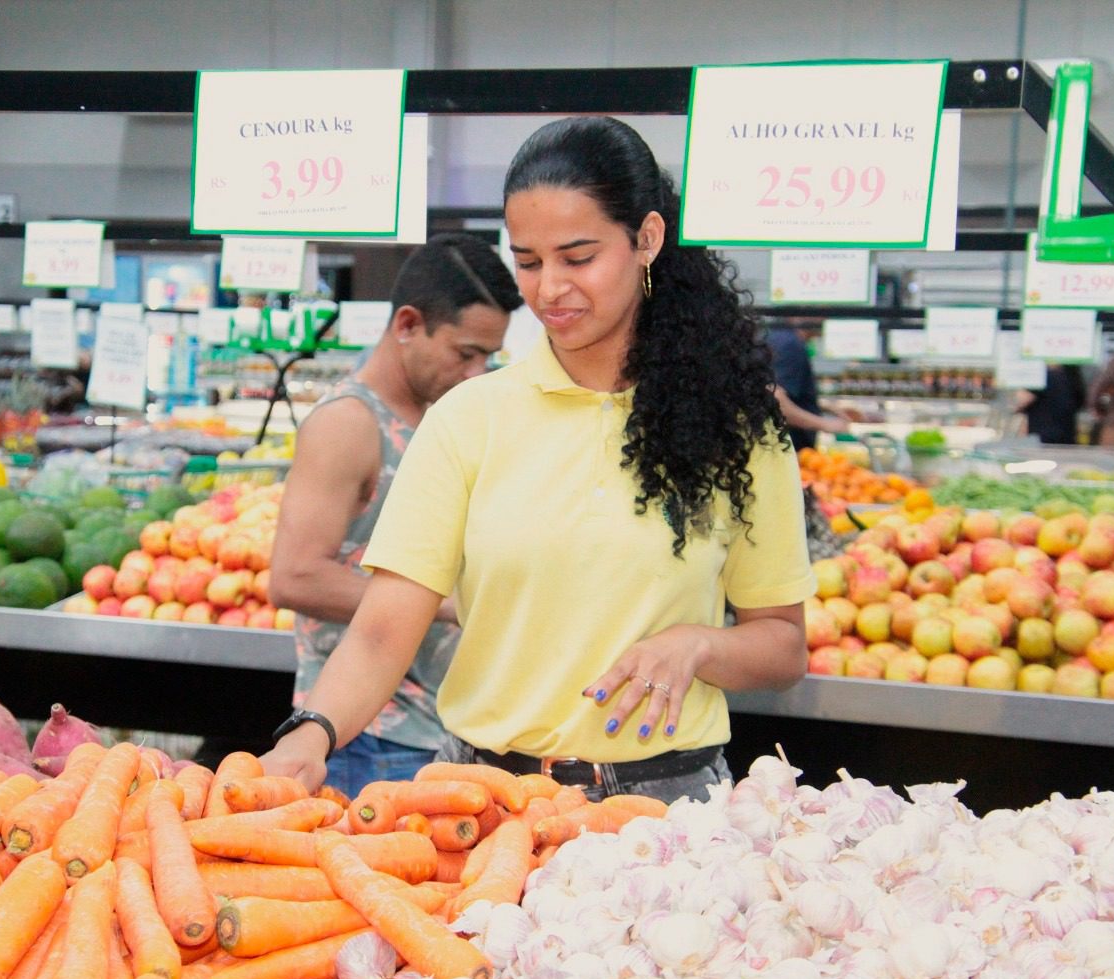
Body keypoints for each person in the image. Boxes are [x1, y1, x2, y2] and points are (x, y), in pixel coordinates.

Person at [261, 117, 813, 803]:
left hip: (665, 816)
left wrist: (700, 646)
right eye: (528, 261)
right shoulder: (469, 418)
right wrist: (310, 733)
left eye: (577, 257)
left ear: (647, 239)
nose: (549, 288)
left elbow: (783, 644)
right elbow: (380, 633)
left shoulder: (735, 431)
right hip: (480, 804)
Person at [270, 235, 522, 797]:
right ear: (407, 325)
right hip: (370, 733)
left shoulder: (447, 418)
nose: (477, 372)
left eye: (489, 358)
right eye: (465, 353)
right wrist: (449, 601)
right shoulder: (348, 425)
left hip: (446, 722)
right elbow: (293, 576)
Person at [767, 325, 849, 449]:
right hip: (789, 449)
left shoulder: (781, 338)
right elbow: (774, 399)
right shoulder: (790, 344)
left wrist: (820, 407)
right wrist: (825, 424)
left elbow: (781, 393)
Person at [1017, 364, 1087, 445]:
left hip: (1042, 436)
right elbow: (1080, 401)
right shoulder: (1072, 375)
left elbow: (1022, 401)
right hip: (1067, 436)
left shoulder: (1041, 376)